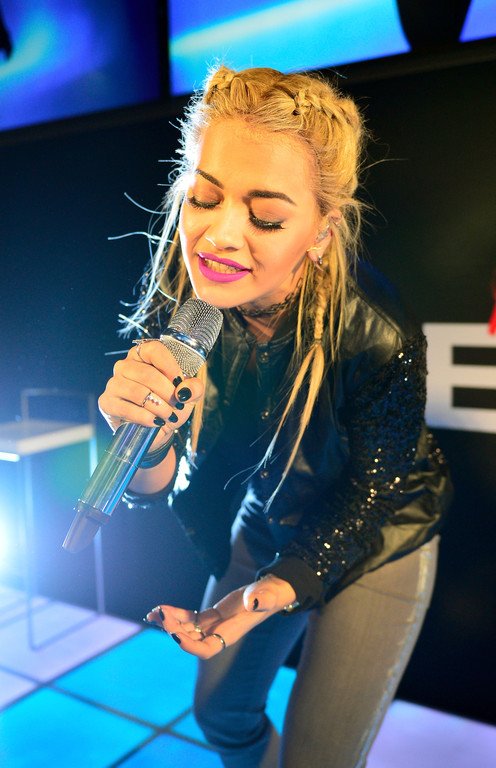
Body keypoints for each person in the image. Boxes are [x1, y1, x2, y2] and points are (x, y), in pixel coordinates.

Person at [98, 65, 451, 767]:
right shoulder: (182, 294)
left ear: (322, 230)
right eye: (204, 198)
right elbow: (158, 485)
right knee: (219, 712)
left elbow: (375, 489)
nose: (219, 237)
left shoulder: (376, 331)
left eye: (264, 217)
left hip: (381, 528)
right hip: (272, 511)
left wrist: (274, 591)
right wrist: (143, 445)